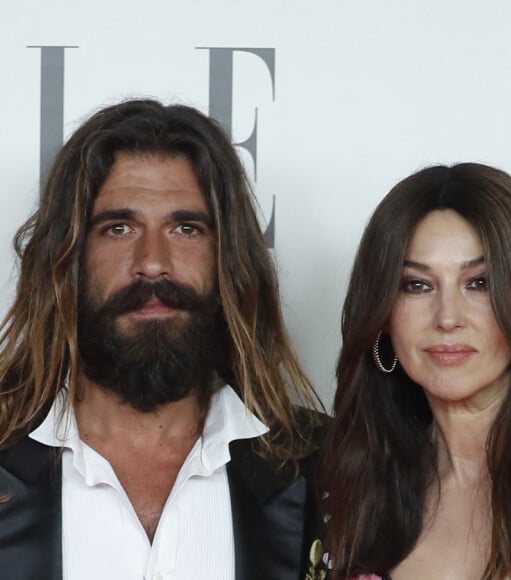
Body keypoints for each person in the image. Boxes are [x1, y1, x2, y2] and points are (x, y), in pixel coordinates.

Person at [0, 98, 324, 580]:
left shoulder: (327, 467)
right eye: (118, 227)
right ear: (68, 256)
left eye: (186, 227)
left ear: (227, 256)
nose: (152, 261)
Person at [320, 163, 511, 580]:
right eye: (417, 285)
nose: (447, 317)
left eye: (479, 282)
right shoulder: (346, 491)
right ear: (383, 315)